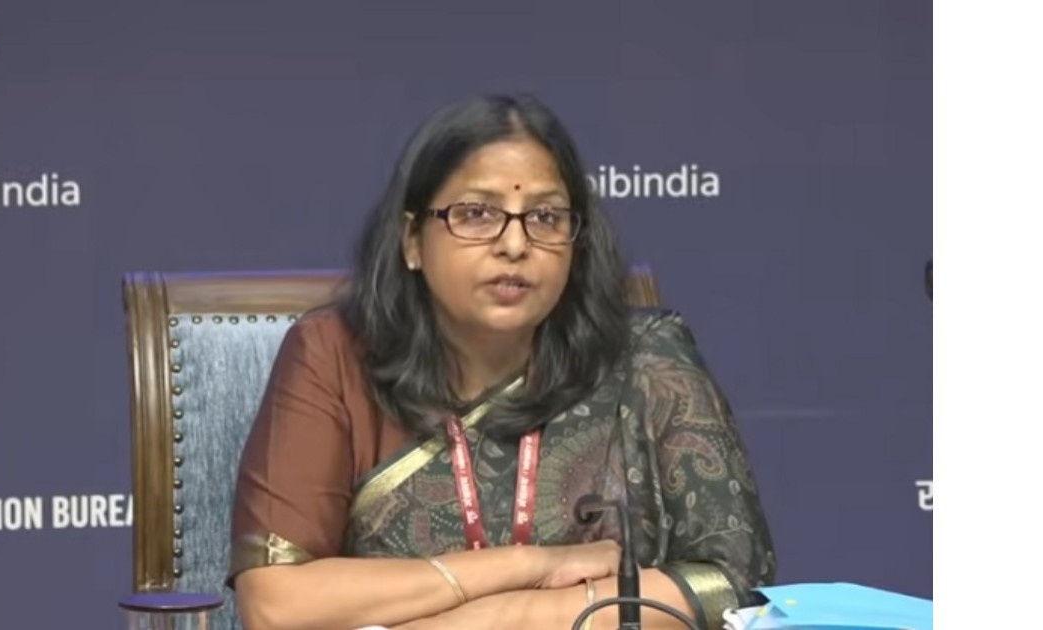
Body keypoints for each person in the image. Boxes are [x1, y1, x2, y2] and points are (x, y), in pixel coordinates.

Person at [227, 93, 777, 630]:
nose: (515, 244)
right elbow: (276, 605)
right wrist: (528, 565)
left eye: (545, 217)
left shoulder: (647, 359)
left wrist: (493, 617)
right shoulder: (334, 355)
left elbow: (731, 584)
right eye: (476, 213)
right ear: (412, 240)